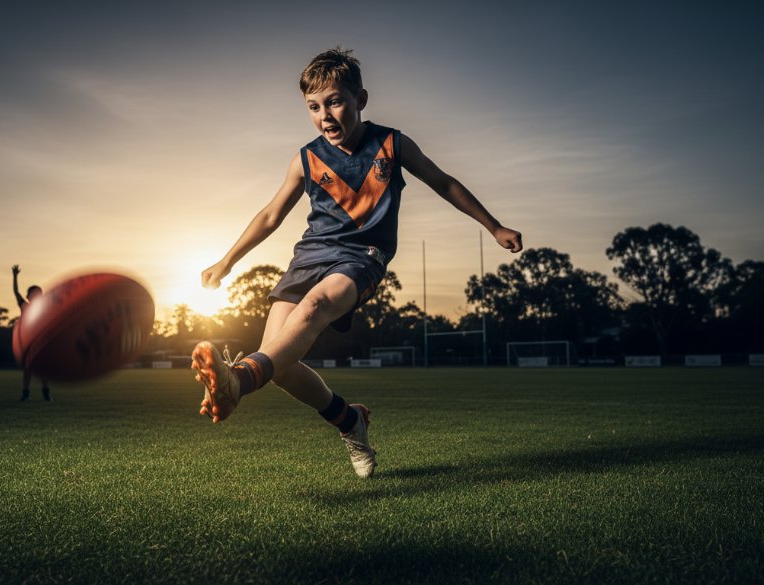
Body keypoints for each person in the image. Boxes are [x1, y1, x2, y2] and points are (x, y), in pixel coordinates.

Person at [191, 48, 523, 478]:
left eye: (335, 101)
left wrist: (494, 227)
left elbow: (444, 182)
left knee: (312, 310)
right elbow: (271, 215)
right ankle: (349, 420)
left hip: (362, 257)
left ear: (360, 99)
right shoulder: (305, 159)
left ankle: (239, 380)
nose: (325, 115)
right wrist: (227, 260)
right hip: (309, 256)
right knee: (281, 365)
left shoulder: (393, 144)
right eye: (314, 106)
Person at [12, 264, 50, 402]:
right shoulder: (25, 306)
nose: (36, 296)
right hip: (29, 342)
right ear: (28, 296)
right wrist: (15, 276)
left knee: (44, 369)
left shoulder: (46, 307)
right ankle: (26, 393)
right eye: (33, 294)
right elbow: (16, 292)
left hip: (41, 342)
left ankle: (46, 393)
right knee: (27, 370)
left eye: (38, 293)